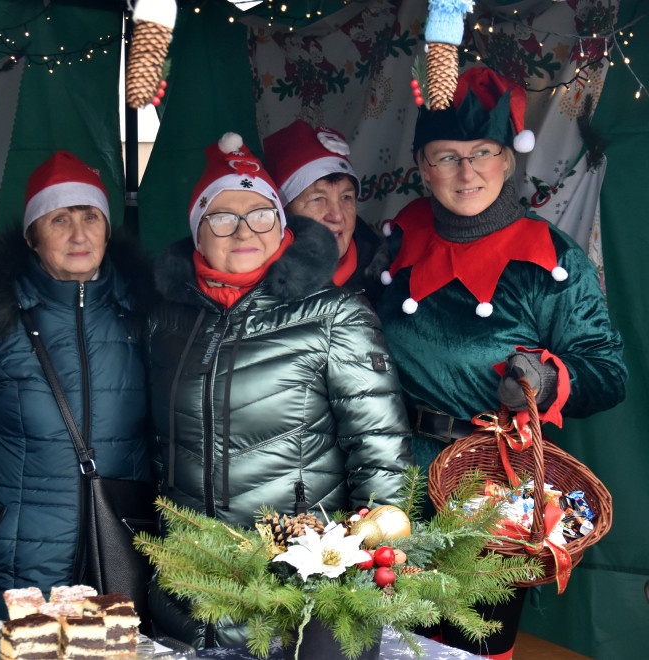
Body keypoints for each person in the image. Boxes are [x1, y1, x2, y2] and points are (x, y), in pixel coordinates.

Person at [376, 66, 627, 658]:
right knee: (390, 640)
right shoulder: (398, 242)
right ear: (421, 167)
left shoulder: (550, 262)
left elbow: (607, 372)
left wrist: (544, 378)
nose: (466, 172)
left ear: (508, 160)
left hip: (492, 490)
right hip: (392, 478)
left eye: (482, 152)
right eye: (446, 156)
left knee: (473, 645)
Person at [146, 132, 413, 648]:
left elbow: (382, 461)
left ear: (283, 223)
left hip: (298, 596)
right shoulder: (166, 322)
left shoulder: (334, 316)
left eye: (261, 213)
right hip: (186, 591)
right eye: (221, 217)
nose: (243, 230)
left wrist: (363, 590)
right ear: (197, 231)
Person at [0, 151, 153, 618]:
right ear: (32, 237)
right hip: (16, 564)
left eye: (90, 217)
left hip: (117, 554)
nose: (79, 234)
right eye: (59, 219)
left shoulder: (142, 316)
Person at [263, 120, 388, 306]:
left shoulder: (387, 281)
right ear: (283, 213)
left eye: (346, 197)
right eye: (317, 199)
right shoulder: (255, 287)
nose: (337, 216)